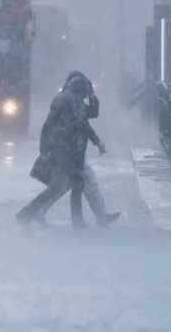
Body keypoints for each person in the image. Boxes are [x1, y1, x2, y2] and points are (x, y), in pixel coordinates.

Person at [15, 73, 95, 226]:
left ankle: (77, 220)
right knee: (57, 187)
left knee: (77, 182)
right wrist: (44, 149)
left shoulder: (72, 101)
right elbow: (48, 126)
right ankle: (26, 213)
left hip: (66, 150)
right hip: (60, 151)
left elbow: (89, 116)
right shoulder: (64, 101)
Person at [63, 71, 121, 229]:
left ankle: (81, 219)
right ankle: (35, 211)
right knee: (83, 184)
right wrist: (98, 142)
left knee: (76, 185)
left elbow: (93, 113)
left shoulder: (72, 103)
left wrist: (92, 96)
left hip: (71, 152)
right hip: (71, 152)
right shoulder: (72, 105)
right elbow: (85, 124)